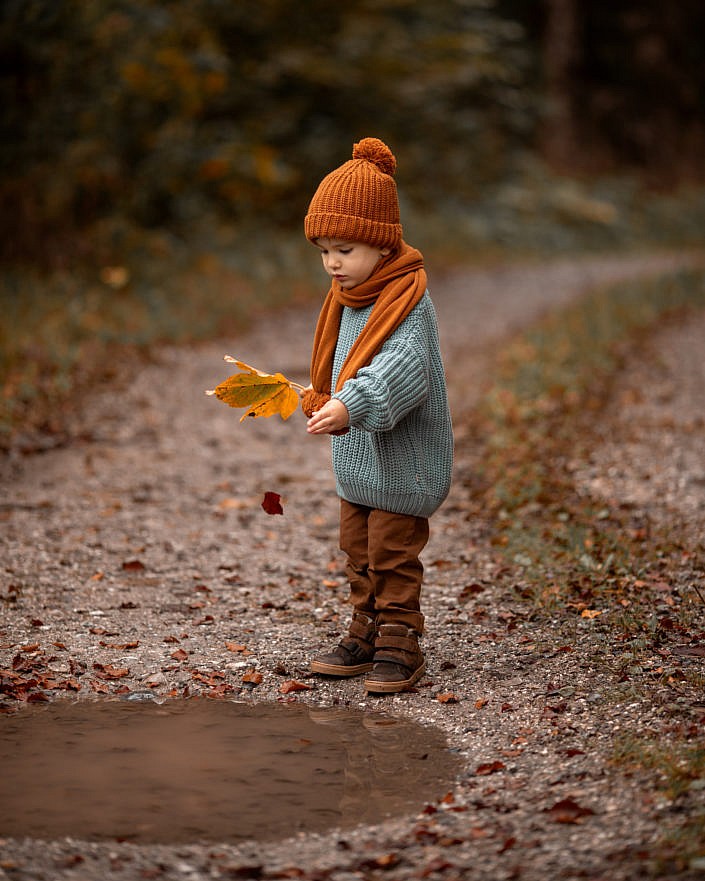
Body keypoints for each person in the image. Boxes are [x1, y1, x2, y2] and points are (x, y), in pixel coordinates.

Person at [300, 137, 453, 694]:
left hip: (403, 465)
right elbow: (338, 363)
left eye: (344, 249)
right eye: (323, 250)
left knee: (392, 556)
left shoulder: (408, 304)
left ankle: (400, 640)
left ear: (383, 247)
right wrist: (322, 394)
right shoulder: (349, 299)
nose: (332, 263)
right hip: (360, 464)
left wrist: (349, 404)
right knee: (357, 551)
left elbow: (400, 372)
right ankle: (364, 629)